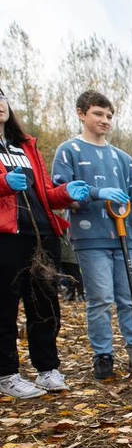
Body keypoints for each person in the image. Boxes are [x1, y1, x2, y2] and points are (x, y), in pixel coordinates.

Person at [52, 90, 132, 381]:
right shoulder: (69, 151)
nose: (105, 120)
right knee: (100, 298)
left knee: (129, 298)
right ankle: (103, 355)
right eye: (98, 114)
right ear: (81, 113)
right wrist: (96, 193)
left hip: (126, 239)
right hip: (90, 238)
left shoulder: (123, 158)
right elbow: (61, 193)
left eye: (109, 115)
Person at [1, 86, 91, 399]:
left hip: (41, 235)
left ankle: (47, 369)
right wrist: (3, 183)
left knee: (44, 305)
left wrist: (65, 193)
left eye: (2, 97)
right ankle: (7, 374)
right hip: (6, 238)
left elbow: (44, 194)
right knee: (5, 308)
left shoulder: (25, 145)